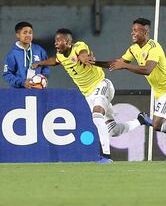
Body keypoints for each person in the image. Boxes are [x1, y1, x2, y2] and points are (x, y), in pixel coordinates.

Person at [94, 18, 166, 163]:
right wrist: (94, 63)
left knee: (157, 124)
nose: (132, 33)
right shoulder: (133, 49)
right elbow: (116, 63)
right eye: (132, 30)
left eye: (136, 30)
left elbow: (147, 69)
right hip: (159, 91)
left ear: (145, 32)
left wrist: (125, 66)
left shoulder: (153, 47)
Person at [32, 28, 116, 164]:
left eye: (59, 40)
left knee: (96, 117)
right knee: (113, 129)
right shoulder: (60, 55)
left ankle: (106, 156)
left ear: (69, 42)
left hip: (101, 84)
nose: (56, 43)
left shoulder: (79, 47)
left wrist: (84, 58)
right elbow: (55, 61)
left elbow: (82, 53)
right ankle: (140, 120)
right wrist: (40, 63)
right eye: (55, 41)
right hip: (89, 94)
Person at [3, 22, 49, 88]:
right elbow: (7, 74)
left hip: (37, 89)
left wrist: (43, 78)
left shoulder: (39, 50)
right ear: (18, 35)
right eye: (25, 33)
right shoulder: (12, 54)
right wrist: (22, 82)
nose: (28, 35)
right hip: (18, 92)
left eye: (30, 33)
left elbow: (46, 66)